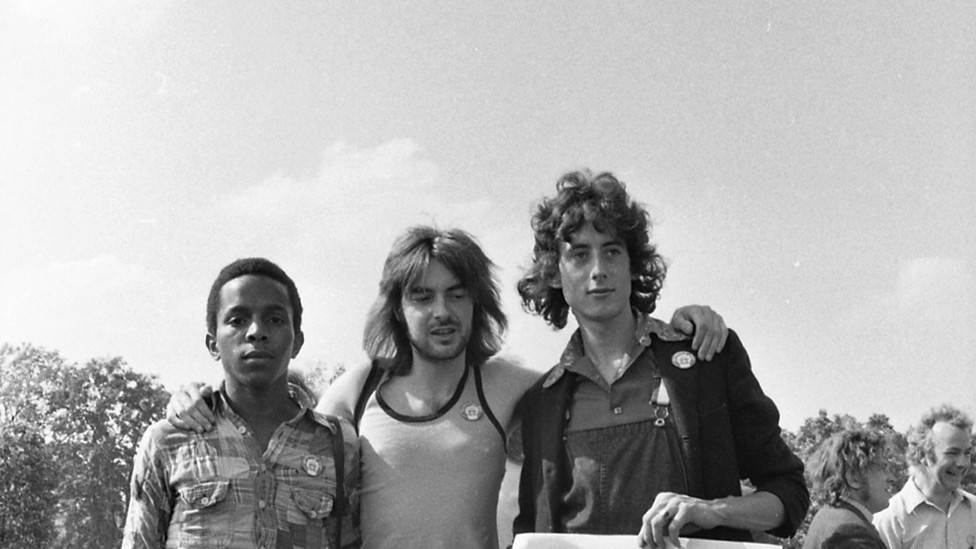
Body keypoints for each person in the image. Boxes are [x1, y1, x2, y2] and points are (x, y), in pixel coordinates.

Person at [167, 227, 728, 549]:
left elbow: (603, 374)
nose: (441, 312)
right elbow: (276, 429)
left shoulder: (507, 386)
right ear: (396, 306)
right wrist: (198, 398)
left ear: (476, 304)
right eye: (422, 296)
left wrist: (671, 324)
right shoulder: (358, 392)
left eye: (457, 295)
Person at [513, 169, 809, 549]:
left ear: (634, 264)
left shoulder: (706, 359)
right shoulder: (541, 402)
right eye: (580, 255)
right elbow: (529, 533)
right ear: (554, 273)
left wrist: (712, 510)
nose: (599, 270)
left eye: (612, 251)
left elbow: (789, 493)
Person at [122, 258, 358, 549]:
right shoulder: (169, 440)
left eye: (275, 319)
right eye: (237, 320)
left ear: (296, 342)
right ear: (213, 344)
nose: (256, 331)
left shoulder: (337, 444)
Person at [873, 404, 976, 549]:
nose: (962, 463)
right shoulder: (891, 521)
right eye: (952, 453)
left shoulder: (973, 511)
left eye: (967, 453)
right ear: (923, 455)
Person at [803, 429, 891, 549]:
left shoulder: (828, 516)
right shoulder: (852, 532)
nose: (891, 477)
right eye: (882, 468)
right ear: (853, 478)